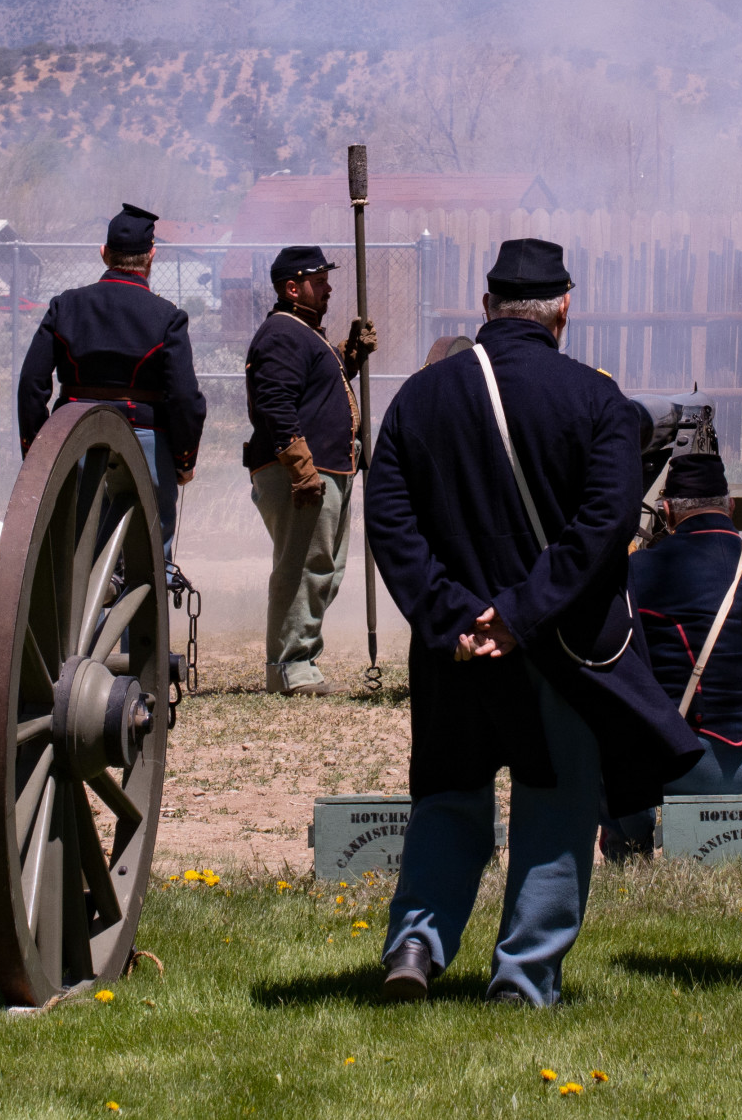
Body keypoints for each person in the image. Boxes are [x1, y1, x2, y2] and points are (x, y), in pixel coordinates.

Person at [366, 238, 702, 1006]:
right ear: (564, 308)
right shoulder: (598, 401)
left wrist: (452, 617)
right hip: (559, 646)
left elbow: (390, 520)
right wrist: (516, 615)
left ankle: (416, 943)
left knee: (448, 794)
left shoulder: (420, 398)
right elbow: (603, 526)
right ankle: (522, 978)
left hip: (454, 651)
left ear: (485, 309)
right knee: (555, 804)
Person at [599, 449, 742, 860]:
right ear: (730, 506)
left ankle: (631, 843)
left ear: (666, 510)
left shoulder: (639, 571)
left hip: (681, 767)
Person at [17, 203, 207, 555]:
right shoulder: (168, 317)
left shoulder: (64, 306)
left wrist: (36, 451)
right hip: (144, 442)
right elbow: (184, 397)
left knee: (72, 548)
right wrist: (183, 460)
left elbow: (32, 384)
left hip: (72, 439)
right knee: (150, 549)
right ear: (152, 257)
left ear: (104, 254)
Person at [243, 245, 374, 696]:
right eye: (319, 281)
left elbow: (315, 390)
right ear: (292, 286)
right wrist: (300, 468)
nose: (329, 288)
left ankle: (301, 661)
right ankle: (289, 668)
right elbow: (275, 403)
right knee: (302, 569)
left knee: (324, 569)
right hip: (304, 471)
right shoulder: (282, 333)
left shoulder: (303, 333)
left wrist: (348, 356)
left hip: (327, 468)